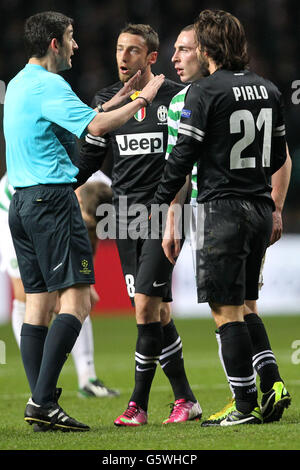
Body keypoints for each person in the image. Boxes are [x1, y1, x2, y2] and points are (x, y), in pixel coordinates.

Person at [3, 11, 164, 432]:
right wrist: (144, 99)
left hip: (21, 203)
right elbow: (95, 125)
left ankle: (43, 405)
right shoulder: (49, 84)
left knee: (37, 305)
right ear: (55, 43)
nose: (77, 46)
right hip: (52, 201)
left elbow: (84, 116)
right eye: (71, 38)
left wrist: (121, 97)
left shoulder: (20, 83)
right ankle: (42, 402)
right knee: (80, 300)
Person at [152, 9, 291, 426]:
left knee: (224, 310)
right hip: (260, 207)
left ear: (208, 49)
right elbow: (280, 156)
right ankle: (272, 383)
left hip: (221, 210)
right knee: (247, 306)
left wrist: (161, 203)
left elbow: (182, 157)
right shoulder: (268, 89)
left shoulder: (203, 92)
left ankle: (243, 404)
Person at [79, 23, 201, 426]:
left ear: (151, 57)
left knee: (147, 308)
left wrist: (172, 214)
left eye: (133, 50)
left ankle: (137, 406)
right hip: (123, 216)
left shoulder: (176, 97)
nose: (122, 57)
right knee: (157, 312)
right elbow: (90, 155)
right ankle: (186, 399)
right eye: (119, 49)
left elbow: (183, 165)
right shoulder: (106, 101)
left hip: (164, 214)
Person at [0, 171, 119, 400]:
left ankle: (88, 379)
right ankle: (39, 384)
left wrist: (85, 280)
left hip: (46, 205)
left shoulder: (105, 192)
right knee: (28, 294)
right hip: (13, 207)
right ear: (78, 200)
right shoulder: (61, 197)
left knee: (76, 295)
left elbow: (90, 235)